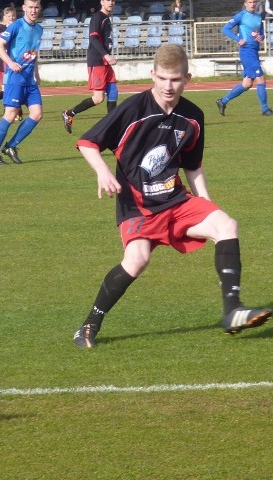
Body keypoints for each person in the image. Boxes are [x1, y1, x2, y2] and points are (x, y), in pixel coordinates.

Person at [71, 44, 272, 349]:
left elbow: (193, 166)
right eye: (163, 78)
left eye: (175, 79)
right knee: (137, 260)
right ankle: (89, 324)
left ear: (187, 78)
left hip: (175, 200)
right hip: (137, 206)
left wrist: (207, 204)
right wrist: (102, 172)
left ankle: (232, 311)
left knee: (226, 225)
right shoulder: (133, 109)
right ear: (153, 75)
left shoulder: (193, 116)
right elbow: (88, 142)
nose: (168, 86)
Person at [0, 0, 43, 165]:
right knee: (10, 115)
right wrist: (10, 63)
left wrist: (36, 73)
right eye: (30, 7)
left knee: (37, 114)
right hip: (15, 79)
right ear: (24, 8)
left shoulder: (39, 29)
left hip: (29, 80)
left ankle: (11, 146)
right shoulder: (16, 26)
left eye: (36, 7)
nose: (33, 10)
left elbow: (34, 52)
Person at [62, 0, 118, 135]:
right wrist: (106, 55)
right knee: (98, 98)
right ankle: (69, 113)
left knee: (113, 91)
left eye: (112, 0)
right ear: (102, 2)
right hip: (97, 61)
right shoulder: (97, 17)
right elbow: (93, 39)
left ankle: (112, 125)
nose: (110, 2)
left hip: (105, 62)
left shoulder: (106, 18)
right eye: (107, 0)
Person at [216, 0, 273, 116]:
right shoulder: (241, 15)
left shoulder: (258, 17)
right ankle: (265, 109)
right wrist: (238, 39)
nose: (252, 4)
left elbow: (261, 32)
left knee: (246, 84)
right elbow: (225, 29)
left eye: (254, 2)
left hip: (254, 52)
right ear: (246, 3)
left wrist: (261, 37)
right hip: (246, 52)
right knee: (261, 79)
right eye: (250, 2)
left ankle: (223, 101)